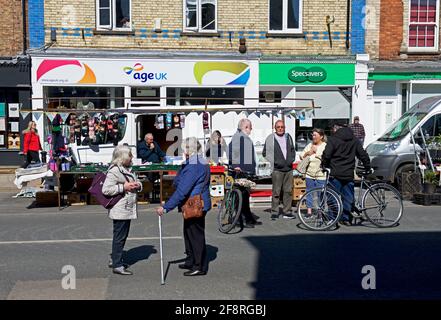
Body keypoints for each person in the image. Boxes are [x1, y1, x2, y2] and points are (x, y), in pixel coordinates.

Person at [156, 137, 211, 276]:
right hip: (195, 202)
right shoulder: (197, 161)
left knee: (195, 235)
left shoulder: (194, 165)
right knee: (188, 232)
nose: (183, 152)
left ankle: (199, 265)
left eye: (184, 149)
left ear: (188, 149)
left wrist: (166, 207)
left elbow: (182, 190)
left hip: (194, 203)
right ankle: (192, 259)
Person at [102, 145, 142, 275]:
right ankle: (117, 264)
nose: (132, 157)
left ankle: (115, 259)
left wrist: (138, 185)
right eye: (130, 155)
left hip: (127, 207)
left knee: (122, 236)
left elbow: (137, 181)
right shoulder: (114, 171)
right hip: (120, 208)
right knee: (119, 237)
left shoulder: (127, 168)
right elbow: (106, 190)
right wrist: (123, 187)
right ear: (123, 157)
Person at [321, 123, 371, 226]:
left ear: (335, 129)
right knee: (348, 197)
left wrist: (324, 165)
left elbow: (327, 154)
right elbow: (362, 154)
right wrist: (367, 166)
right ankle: (346, 219)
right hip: (348, 173)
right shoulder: (354, 139)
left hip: (335, 173)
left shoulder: (333, 139)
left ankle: (333, 218)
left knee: (332, 197)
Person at [228, 118, 262, 228]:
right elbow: (232, 151)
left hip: (246, 171)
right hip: (241, 171)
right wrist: (235, 165)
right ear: (246, 127)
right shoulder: (238, 137)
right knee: (241, 197)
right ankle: (238, 220)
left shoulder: (243, 137)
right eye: (250, 128)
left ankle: (249, 219)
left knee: (245, 196)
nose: (251, 130)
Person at [263, 120, 296, 220]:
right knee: (276, 192)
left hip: (289, 169)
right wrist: (275, 161)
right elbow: (265, 153)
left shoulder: (288, 137)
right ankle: (275, 211)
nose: (280, 129)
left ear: (284, 128)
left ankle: (287, 211)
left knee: (288, 191)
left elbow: (292, 150)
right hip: (277, 169)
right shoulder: (271, 138)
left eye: (282, 127)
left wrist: (291, 159)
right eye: (278, 127)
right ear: (275, 128)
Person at [300, 128, 327, 216]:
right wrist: (309, 152)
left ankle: (320, 211)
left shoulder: (325, 146)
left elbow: (326, 157)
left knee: (321, 194)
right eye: (313, 135)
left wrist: (317, 151)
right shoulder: (310, 145)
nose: (313, 136)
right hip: (309, 174)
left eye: (315, 135)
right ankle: (309, 211)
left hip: (321, 174)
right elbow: (301, 156)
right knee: (309, 192)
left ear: (321, 136)